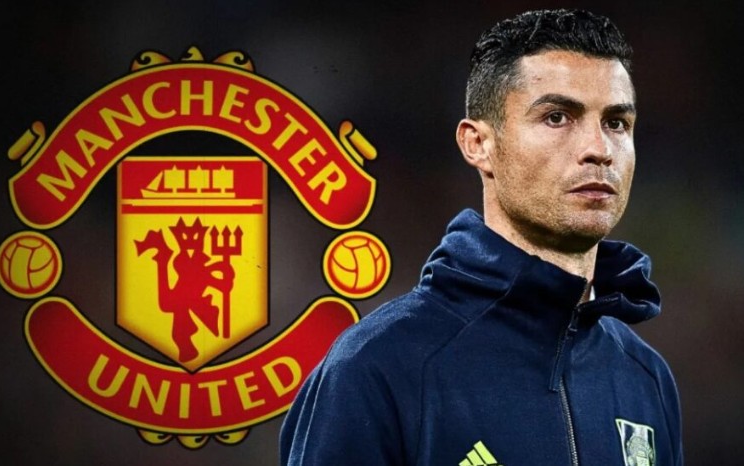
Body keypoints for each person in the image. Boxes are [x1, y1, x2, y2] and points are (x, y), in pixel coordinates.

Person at [280, 8, 683, 466]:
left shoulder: (646, 377)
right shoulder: (378, 367)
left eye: (616, 123)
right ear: (478, 144)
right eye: (557, 117)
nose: (599, 149)